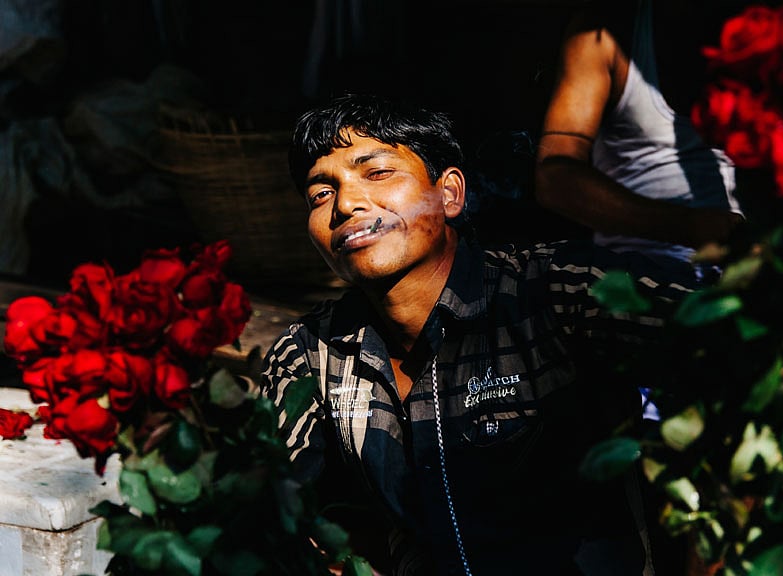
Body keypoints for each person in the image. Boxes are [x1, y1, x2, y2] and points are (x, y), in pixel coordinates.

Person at [260, 92, 711, 575]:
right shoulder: (309, 354)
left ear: (449, 194)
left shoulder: (559, 289)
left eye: (377, 172)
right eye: (320, 194)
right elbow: (269, 507)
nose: (346, 203)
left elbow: (743, 344)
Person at [534, 0, 744, 275]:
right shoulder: (601, 36)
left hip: (758, 283)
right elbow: (554, 179)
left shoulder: (769, 33)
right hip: (644, 281)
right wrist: (690, 226)